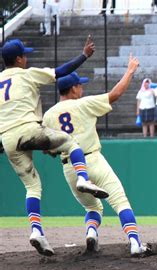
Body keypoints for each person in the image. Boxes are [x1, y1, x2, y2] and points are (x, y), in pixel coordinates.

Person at [0, 37, 108, 256]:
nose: (27, 58)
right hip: (28, 128)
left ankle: (36, 231)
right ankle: (82, 177)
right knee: (70, 141)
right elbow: (61, 71)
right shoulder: (26, 73)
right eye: (25, 55)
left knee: (32, 187)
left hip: (7, 137)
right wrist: (84, 55)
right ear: (19, 59)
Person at [42, 56, 151, 257]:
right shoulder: (83, 104)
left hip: (70, 168)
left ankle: (91, 232)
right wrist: (129, 71)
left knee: (93, 207)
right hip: (92, 159)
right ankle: (135, 243)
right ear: (73, 89)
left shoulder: (48, 115)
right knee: (120, 202)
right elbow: (116, 93)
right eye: (79, 86)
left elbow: (47, 149)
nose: (81, 89)